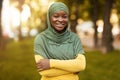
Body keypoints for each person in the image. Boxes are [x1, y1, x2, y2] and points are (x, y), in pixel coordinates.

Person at [34, 2, 86, 80]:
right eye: (56, 16)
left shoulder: (74, 38)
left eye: (64, 16)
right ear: (49, 17)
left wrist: (50, 63)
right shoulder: (41, 39)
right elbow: (44, 71)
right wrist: (72, 68)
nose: (60, 20)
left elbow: (81, 65)